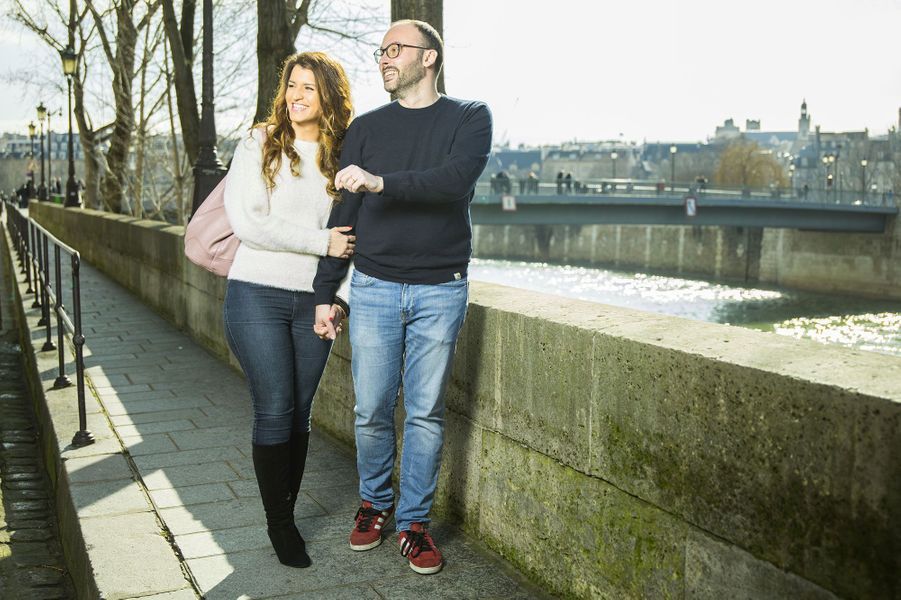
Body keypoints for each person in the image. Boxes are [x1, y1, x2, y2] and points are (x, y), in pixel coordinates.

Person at [312, 19, 492, 575]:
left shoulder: (470, 117)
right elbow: (344, 214)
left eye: (396, 49)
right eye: (381, 51)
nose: (385, 58)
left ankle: (414, 524)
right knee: (370, 409)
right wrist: (325, 291)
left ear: (429, 57)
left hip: (442, 289)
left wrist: (381, 182)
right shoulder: (365, 129)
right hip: (373, 287)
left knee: (424, 413)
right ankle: (374, 504)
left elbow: (453, 182)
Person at [222, 51, 355, 569]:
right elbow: (249, 223)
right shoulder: (259, 143)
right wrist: (321, 242)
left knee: (300, 411)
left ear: (329, 97)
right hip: (256, 293)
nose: (296, 96)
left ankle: (286, 511)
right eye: (291, 85)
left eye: (308, 88)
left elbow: (355, 241)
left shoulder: (341, 158)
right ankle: (280, 524)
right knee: (275, 406)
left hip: (316, 302)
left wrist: (340, 298)